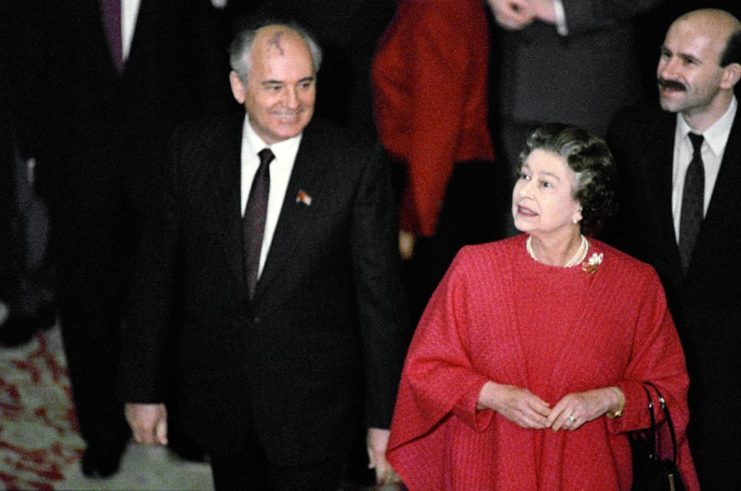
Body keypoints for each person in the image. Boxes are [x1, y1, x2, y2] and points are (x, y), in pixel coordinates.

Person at [121, 22, 408, 490]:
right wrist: (143, 388)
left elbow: (381, 305)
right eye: (274, 86)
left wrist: (386, 419)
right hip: (221, 404)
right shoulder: (191, 152)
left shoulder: (355, 165)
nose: (292, 103)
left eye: (305, 84)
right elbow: (157, 277)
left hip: (315, 415)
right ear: (238, 86)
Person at [386, 124, 699, 490]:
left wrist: (608, 399)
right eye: (525, 175)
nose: (524, 191)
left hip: (589, 475)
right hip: (489, 471)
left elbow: (668, 391)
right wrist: (491, 394)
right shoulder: (474, 269)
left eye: (545, 183)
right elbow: (424, 370)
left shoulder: (634, 284)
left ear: (582, 204)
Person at [14, 1, 230, 476]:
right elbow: (25, 63)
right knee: (88, 310)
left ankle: (183, 422)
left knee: (175, 302)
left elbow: (207, 68)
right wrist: (35, 153)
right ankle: (102, 431)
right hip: (79, 176)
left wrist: (211, 166)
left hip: (165, 174)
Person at [605, 9, 741, 490]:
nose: (667, 71)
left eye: (688, 60)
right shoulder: (631, 132)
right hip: (650, 385)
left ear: (730, 75)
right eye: (665, 54)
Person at [487, 0, 664, 235]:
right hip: (514, 85)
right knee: (521, 225)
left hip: (585, 89)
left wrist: (560, 8)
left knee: (582, 229)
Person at [371, 0, 501, 320]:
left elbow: (436, 126)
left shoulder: (438, 8)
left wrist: (413, 221)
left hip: (437, 190)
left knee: (432, 326)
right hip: (440, 182)